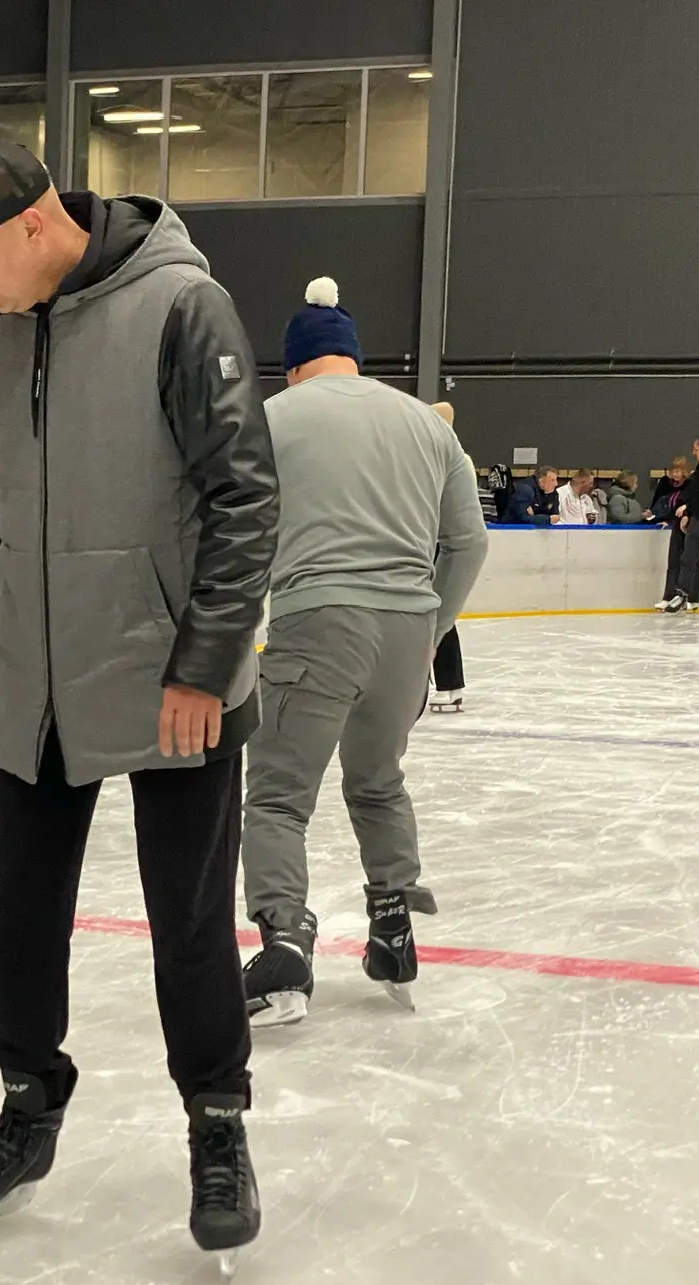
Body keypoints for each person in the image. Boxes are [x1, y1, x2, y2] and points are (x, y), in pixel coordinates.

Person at [0, 141, 277, 1264]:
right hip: (40, 672)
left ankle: (217, 1124)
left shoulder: (183, 308)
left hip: (173, 676)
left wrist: (204, 663)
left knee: (188, 925)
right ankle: (27, 1107)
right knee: (18, 918)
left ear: (31, 224)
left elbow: (245, 499)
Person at [239, 278, 487, 1029]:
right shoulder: (426, 424)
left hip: (318, 620)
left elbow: (228, 528)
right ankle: (393, 926)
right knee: (378, 784)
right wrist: (431, 630)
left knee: (279, 797)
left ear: (293, 367)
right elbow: (468, 542)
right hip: (408, 629)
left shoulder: (270, 417)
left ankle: (285, 942)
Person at [428, 401, 472, 714]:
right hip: (430, 541)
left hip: (439, 544)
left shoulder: (452, 460)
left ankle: (449, 683)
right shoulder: (439, 457)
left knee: (437, 613)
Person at [646, 456, 691, 609]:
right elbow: (669, 509)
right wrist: (663, 519)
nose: (675, 474)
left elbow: (686, 507)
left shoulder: (689, 488)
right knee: (673, 563)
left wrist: (683, 514)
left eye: (678, 471)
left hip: (686, 528)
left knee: (685, 564)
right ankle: (669, 595)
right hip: (676, 527)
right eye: (673, 471)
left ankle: (684, 596)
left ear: (684, 472)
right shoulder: (668, 487)